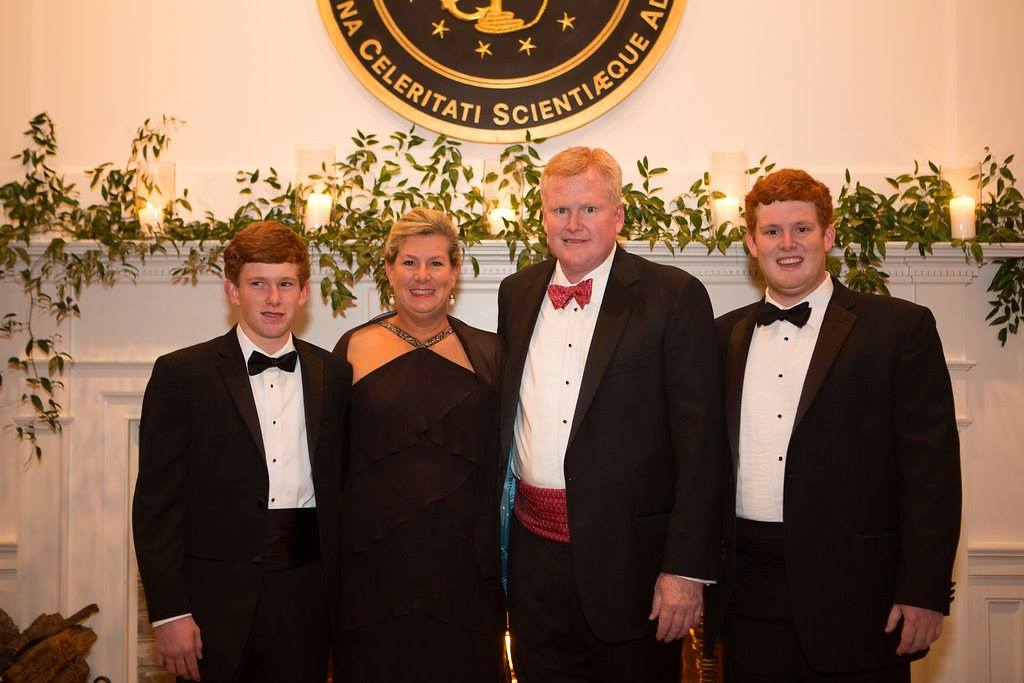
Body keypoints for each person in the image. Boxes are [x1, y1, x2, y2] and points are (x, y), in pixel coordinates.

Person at [707, 168, 962, 682]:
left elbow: (931, 475)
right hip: (747, 593)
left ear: (828, 236)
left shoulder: (899, 328)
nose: (787, 244)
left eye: (801, 228)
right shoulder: (720, 336)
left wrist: (924, 590)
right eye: (772, 232)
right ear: (752, 243)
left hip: (860, 595)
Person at [497, 146, 725, 682]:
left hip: (635, 571)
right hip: (534, 563)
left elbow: (702, 446)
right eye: (559, 210)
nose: (573, 224)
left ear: (619, 215)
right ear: (543, 217)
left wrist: (686, 570)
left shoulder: (673, 296)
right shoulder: (518, 292)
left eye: (589, 209)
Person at [132, 221, 349, 682]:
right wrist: (169, 613)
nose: (273, 298)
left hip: (308, 601)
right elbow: (156, 506)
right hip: (213, 607)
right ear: (232, 290)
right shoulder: (182, 375)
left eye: (285, 284)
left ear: (304, 291)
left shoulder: (334, 373)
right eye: (258, 284)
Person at [332, 207, 507, 682]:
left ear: (455, 274)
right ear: (388, 270)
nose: (422, 276)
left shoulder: (492, 352)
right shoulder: (353, 348)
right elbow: (329, 464)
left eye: (436, 263)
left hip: (465, 570)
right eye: (409, 262)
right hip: (373, 568)